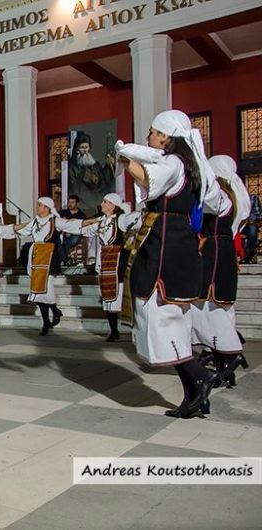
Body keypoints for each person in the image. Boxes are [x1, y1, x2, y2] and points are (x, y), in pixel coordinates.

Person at [116, 109, 221, 418]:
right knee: (170, 320)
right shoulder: (188, 166)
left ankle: (201, 376)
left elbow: (150, 178)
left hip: (165, 246)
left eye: (152, 132)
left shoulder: (173, 163)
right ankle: (194, 394)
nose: (149, 136)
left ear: (164, 136)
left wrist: (125, 159)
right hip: (176, 241)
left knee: (159, 317)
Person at [192, 155, 251, 388]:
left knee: (210, 304)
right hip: (222, 250)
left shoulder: (221, 197)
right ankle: (224, 363)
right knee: (221, 306)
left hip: (214, 250)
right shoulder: (235, 196)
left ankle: (227, 355)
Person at [6, 197, 79, 335]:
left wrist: (91, 222)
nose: (37, 207)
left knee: (46, 290)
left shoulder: (55, 221)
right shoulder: (35, 222)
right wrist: (10, 228)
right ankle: (48, 319)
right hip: (37, 259)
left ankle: (53, 313)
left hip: (49, 259)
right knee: (37, 291)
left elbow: (71, 224)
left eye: (39, 205)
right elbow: (22, 229)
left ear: (46, 207)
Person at [76, 193, 138, 341]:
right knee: (108, 297)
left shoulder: (121, 220)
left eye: (105, 202)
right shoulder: (101, 222)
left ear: (112, 205)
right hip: (105, 261)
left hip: (119, 261)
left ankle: (136, 331)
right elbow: (81, 229)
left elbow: (135, 219)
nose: (102, 204)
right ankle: (114, 331)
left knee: (123, 294)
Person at [68, 132, 116, 215]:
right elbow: (75, 188)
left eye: (86, 147)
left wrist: (109, 166)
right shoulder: (72, 167)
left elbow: (104, 179)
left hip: (99, 202)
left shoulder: (95, 164)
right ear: (77, 149)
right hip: (84, 204)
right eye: (82, 147)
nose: (85, 150)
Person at [59, 195, 87, 264]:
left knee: (73, 240)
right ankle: (65, 259)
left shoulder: (81, 215)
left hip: (75, 234)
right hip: (63, 234)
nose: (70, 204)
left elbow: (83, 226)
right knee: (58, 242)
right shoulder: (63, 213)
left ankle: (64, 258)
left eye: (72, 202)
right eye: (69, 202)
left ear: (77, 203)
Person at [241, 192, 260, 263]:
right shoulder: (233, 196)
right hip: (237, 223)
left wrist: (250, 220)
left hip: (249, 223)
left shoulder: (252, 197)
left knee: (253, 230)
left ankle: (249, 253)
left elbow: (257, 214)